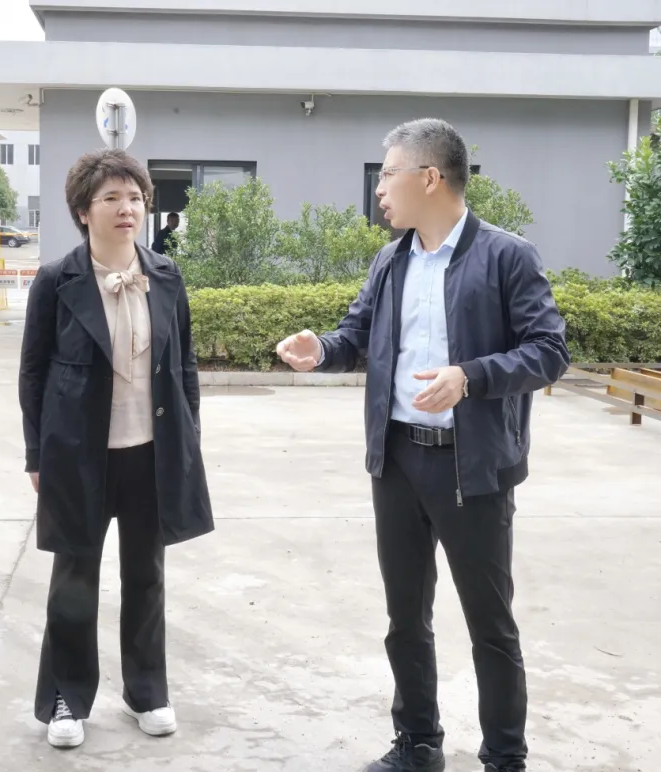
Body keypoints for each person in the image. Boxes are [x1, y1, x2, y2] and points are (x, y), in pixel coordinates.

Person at [277, 118, 570, 772]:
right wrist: (320, 349)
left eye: (388, 174)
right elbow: (356, 335)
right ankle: (417, 744)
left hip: (473, 468)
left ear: (430, 177)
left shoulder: (507, 257)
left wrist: (471, 377)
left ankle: (504, 759)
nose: (380, 189)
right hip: (397, 462)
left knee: (490, 626)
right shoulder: (391, 260)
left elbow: (549, 352)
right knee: (405, 617)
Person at [19, 148, 214, 749]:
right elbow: (33, 373)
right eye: (111, 198)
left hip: (150, 451)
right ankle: (65, 698)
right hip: (79, 455)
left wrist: (188, 439)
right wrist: (35, 455)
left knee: (146, 576)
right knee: (73, 578)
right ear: (84, 211)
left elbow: (183, 366)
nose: (126, 208)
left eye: (134, 197)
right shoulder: (57, 280)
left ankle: (147, 692)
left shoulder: (166, 275)